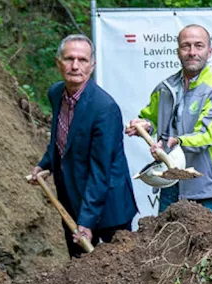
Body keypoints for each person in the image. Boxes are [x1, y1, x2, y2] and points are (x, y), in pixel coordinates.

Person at [29, 34, 137, 257]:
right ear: (58, 62)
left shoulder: (104, 108)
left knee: (117, 271)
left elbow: (101, 170)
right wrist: (45, 164)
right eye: (69, 59)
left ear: (92, 65)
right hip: (73, 198)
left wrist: (86, 221)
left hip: (109, 208)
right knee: (79, 272)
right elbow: (61, 139)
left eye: (82, 60)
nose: (75, 66)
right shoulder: (56, 93)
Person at [126, 24, 212, 213]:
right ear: (178, 52)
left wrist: (176, 142)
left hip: (206, 190)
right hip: (170, 186)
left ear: (209, 52)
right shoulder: (164, 88)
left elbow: (206, 135)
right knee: (166, 242)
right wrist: (144, 126)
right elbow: (150, 118)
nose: (192, 52)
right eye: (186, 46)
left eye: (198, 46)